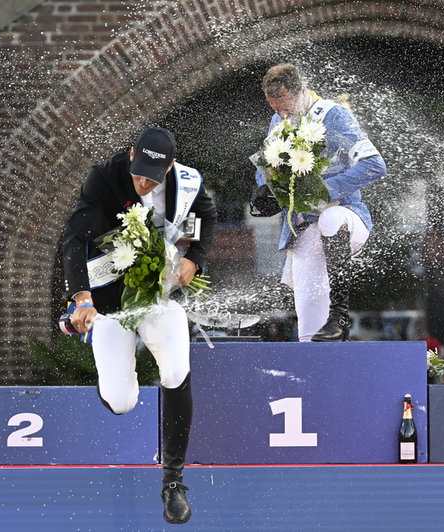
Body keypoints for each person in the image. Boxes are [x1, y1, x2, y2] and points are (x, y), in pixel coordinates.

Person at [62, 127, 218, 523]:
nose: (143, 183)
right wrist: (81, 298)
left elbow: (207, 214)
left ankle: (173, 481)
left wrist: (194, 257)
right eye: (137, 173)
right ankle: (104, 368)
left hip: (158, 300)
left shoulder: (187, 182)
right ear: (131, 155)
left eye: (152, 176)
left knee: (176, 369)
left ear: (170, 166)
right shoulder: (103, 176)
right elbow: (73, 239)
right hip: (110, 305)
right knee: (121, 402)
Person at [250, 63, 387, 342]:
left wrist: (324, 190)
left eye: (285, 107)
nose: (280, 115)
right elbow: (264, 166)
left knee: (330, 219)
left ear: (302, 92)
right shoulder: (278, 122)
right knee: (310, 330)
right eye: (274, 108)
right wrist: (265, 189)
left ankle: (340, 314)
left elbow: (376, 165)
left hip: (346, 215)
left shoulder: (334, 116)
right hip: (301, 229)